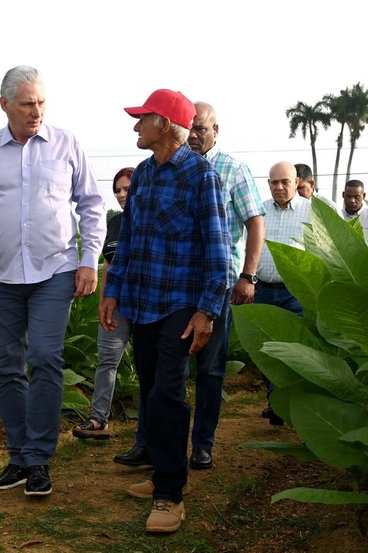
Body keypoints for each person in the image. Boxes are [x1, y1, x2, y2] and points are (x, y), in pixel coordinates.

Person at [0, 65, 106, 497]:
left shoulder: (67, 144)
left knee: (46, 358)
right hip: (2, 274)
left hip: (56, 269)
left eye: (42, 102)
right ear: (5, 104)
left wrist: (88, 259)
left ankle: (40, 460)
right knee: (7, 366)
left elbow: (90, 204)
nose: (37, 111)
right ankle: (18, 456)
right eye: (28, 103)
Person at [101, 89, 229, 533]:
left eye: (143, 119)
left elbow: (218, 251)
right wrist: (112, 292)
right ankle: (162, 471)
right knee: (152, 386)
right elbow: (130, 241)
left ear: (167, 125)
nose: (136, 126)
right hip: (144, 302)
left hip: (181, 304)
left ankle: (169, 494)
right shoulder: (143, 174)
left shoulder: (201, 177)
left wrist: (207, 311)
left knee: (168, 395)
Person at [184, 101, 264, 471]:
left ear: (217, 130)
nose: (194, 134)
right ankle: (153, 442)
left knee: (211, 369)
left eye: (201, 127)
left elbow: (254, 223)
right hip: (177, 284)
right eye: (189, 127)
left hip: (218, 284)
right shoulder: (176, 167)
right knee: (167, 365)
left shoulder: (234, 170)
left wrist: (247, 276)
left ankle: (202, 444)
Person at [72, 168, 149, 464]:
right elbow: (108, 266)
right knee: (106, 361)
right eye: (117, 189)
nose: (121, 194)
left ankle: (148, 428)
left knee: (148, 367)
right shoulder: (114, 224)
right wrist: (105, 301)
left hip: (147, 305)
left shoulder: (150, 218)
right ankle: (98, 420)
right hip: (118, 304)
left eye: (127, 188)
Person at [254, 161, 312, 425]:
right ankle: (275, 399)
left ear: (297, 182)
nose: (279, 187)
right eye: (274, 182)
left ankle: (295, 404)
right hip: (264, 290)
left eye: (284, 182)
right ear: (268, 184)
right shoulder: (259, 211)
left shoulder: (314, 211)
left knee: (297, 349)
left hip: (297, 292)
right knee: (265, 349)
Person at [342, 179, 368, 245]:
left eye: (357, 197)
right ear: (343, 195)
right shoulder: (337, 215)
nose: (352, 200)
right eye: (348, 196)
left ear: (364, 196)